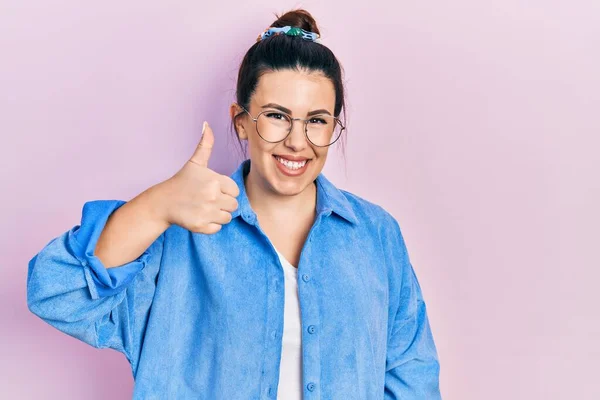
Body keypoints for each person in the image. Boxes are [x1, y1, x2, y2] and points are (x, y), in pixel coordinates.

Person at [26, 8, 441, 400]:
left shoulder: (376, 235)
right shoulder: (177, 233)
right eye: (277, 116)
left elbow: (412, 378)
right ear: (241, 121)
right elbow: (54, 292)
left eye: (317, 120)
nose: (298, 142)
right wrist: (155, 206)